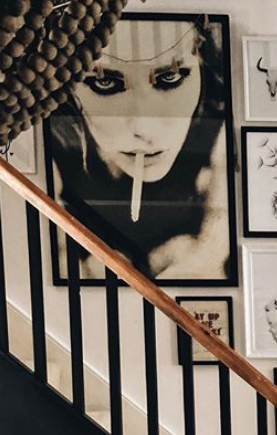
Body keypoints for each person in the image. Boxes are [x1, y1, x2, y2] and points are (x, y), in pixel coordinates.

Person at [46, 16, 235, 284]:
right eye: (104, 83)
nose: (144, 126)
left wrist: (207, 255)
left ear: (203, 66)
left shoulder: (222, 122)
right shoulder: (50, 142)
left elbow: (212, 251)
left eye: (170, 76)